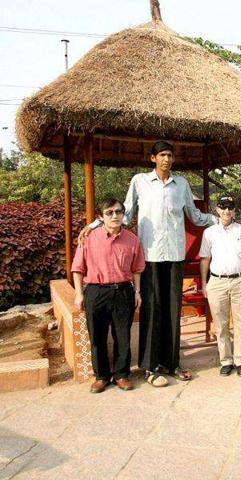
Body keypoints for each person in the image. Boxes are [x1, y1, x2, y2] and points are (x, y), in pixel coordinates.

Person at [80, 140, 217, 387]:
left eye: (170, 155)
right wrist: (94, 225)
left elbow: (194, 216)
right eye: (162, 155)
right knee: (152, 311)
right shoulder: (139, 181)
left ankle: (173, 363)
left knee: (173, 311)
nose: (167, 159)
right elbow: (126, 213)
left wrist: (218, 220)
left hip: (174, 256)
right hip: (150, 257)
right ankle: (151, 367)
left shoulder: (182, 184)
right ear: (153, 158)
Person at [72, 198, 145, 393]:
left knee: (122, 336)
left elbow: (137, 268)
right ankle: (101, 376)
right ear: (100, 217)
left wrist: (137, 292)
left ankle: (122, 375)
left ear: (123, 214)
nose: (115, 216)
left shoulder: (132, 240)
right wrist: (79, 294)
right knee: (97, 336)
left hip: (123, 291)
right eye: (109, 212)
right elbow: (77, 268)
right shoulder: (88, 238)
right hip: (96, 292)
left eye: (119, 212)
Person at [200, 196, 241, 377]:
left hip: (239, 280)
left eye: (230, 208)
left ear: (234, 211)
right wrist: (204, 283)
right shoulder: (209, 233)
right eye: (223, 207)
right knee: (220, 324)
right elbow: (205, 259)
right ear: (217, 210)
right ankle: (226, 360)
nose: (227, 211)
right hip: (216, 282)